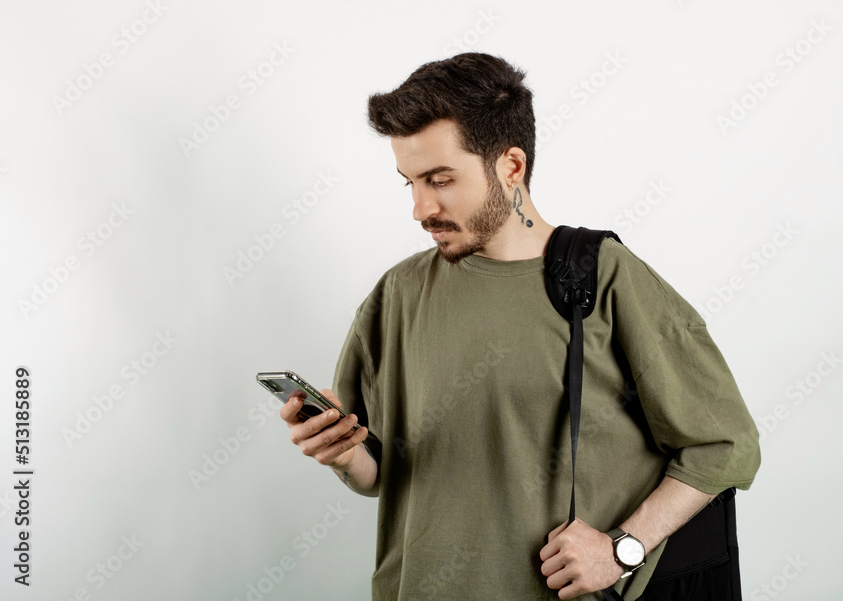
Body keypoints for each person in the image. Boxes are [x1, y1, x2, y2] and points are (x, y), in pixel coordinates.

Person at [280, 52, 761, 600]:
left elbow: (727, 444)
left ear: (511, 165)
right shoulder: (398, 294)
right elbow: (383, 476)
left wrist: (622, 549)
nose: (420, 207)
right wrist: (344, 454)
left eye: (440, 179)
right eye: (408, 182)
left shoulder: (602, 277)